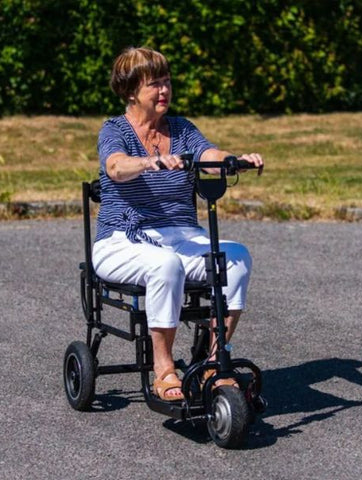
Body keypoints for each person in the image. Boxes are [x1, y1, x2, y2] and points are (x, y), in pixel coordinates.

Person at [92, 46, 264, 402]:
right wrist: (147, 163)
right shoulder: (115, 130)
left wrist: (234, 159)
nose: (164, 91)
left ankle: (216, 365)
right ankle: (164, 368)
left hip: (182, 236)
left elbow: (207, 154)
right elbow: (115, 166)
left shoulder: (182, 129)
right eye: (154, 84)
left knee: (236, 258)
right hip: (122, 241)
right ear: (130, 91)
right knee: (164, 265)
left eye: (167, 82)